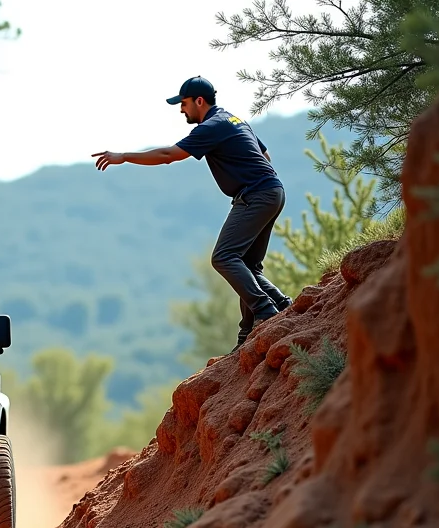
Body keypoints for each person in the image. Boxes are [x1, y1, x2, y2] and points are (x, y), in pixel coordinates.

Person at [92, 76, 292, 351]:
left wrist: (124, 156)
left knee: (224, 257)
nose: (181, 109)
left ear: (199, 101)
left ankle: (266, 311)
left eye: (183, 103)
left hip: (256, 195)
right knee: (247, 265)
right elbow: (265, 156)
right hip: (273, 191)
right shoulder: (234, 120)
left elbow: (168, 155)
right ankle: (264, 319)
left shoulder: (211, 126)